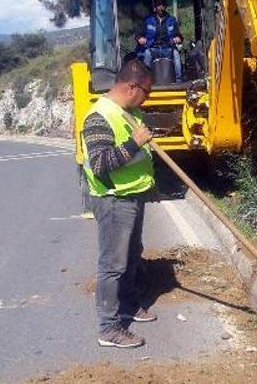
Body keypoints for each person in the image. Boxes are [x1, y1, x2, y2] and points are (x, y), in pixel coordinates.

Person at [81, 59, 157, 349]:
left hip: (133, 194)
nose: (146, 99)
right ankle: (109, 328)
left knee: (131, 256)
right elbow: (100, 163)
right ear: (130, 87)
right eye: (146, 92)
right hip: (113, 199)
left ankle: (127, 305)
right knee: (112, 264)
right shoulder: (98, 117)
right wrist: (135, 144)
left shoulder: (126, 112)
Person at [136, 0, 183, 83]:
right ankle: (145, 80)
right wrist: (140, 38)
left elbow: (179, 35)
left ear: (165, 7)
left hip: (168, 48)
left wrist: (178, 38)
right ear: (155, 7)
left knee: (176, 54)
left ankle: (179, 81)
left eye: (162, 5)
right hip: (152, 48)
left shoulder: (171, 20)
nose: (161, 7)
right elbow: (139, 35)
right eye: (158, 5)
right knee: (146, 54)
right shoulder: (148, 20)